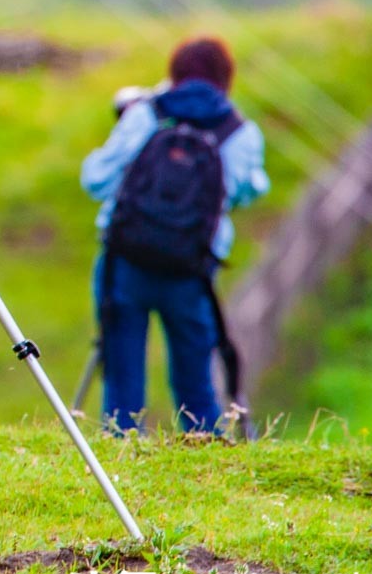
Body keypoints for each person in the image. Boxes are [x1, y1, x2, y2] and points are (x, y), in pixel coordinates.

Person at [81, 36, 269, 435]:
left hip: (124, 263)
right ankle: (206, 456)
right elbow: (250, 189)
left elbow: (96, 180)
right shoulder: (239, 131)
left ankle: (121, 456)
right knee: (195, 384)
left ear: (174, 74)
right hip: (192, 269)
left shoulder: (146, 114)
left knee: (122, 379)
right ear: (226, 80)